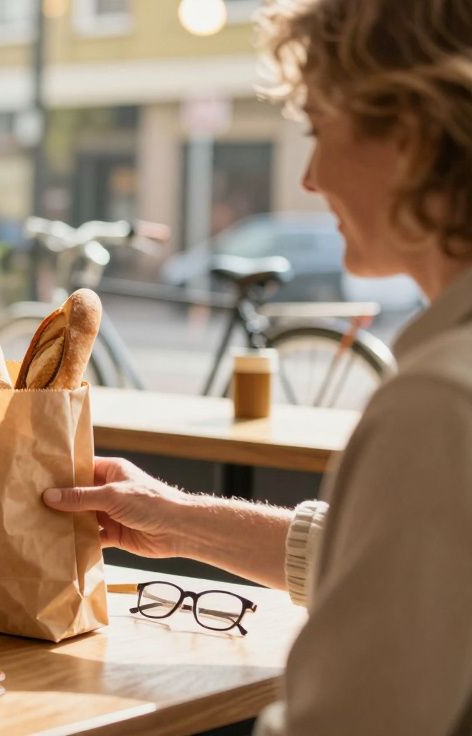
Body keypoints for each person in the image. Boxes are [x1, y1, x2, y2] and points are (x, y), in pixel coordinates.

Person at [43, 0, 472, 732]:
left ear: (408, 134)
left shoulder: (438, 403)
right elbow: (412, 561)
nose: (308, 177)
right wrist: (180, 523)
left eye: (317, 130)